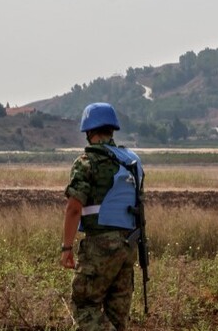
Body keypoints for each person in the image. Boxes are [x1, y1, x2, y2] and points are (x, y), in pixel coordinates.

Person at [60, 102, 144, 331]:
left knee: (84, 305)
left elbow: (74, 208)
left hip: (101, 244)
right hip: (129, 246)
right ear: (112, 129)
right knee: (117, 317)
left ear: (88, 131)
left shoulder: (87, 162)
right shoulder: (131, 162)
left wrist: (66, 248)